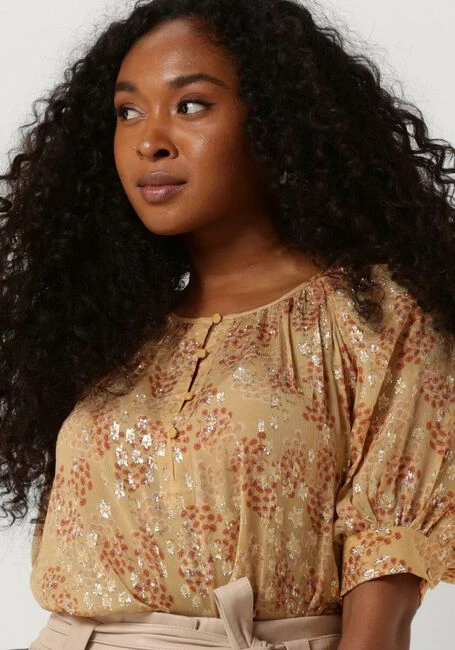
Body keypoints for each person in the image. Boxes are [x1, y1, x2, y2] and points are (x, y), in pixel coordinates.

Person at [0, 0, 453, 649]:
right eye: (127, 111)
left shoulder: (374, 314)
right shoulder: (111, 332)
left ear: (273, 121)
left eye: (190, 105)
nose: (149, 140)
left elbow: (385, 576)